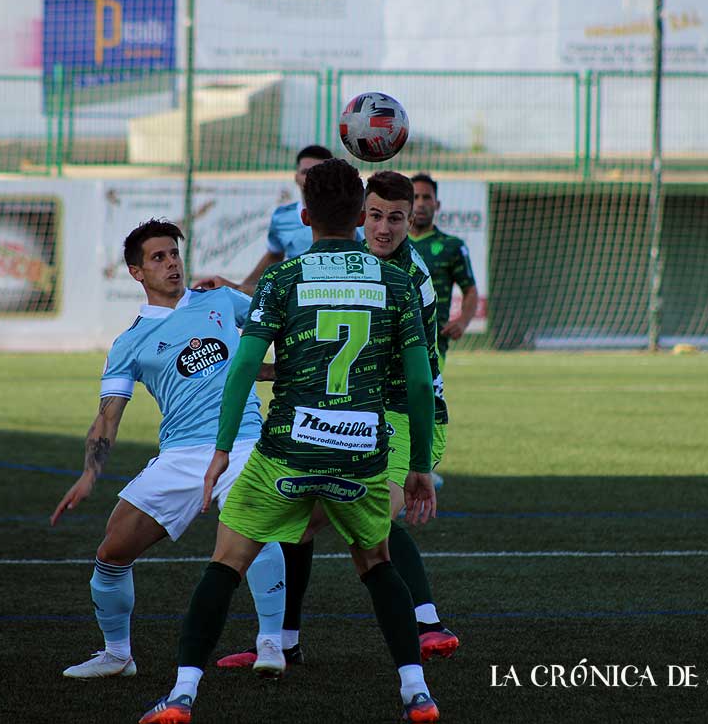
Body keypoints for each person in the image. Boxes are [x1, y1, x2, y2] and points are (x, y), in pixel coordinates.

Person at [138, 159, 441, 724]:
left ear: (304, 217)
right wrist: (419, 462)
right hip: (361, 454)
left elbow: (242, 368)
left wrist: (222, 451)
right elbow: (421, 382)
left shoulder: (283, 279)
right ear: (359, 216)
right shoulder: (396, 282)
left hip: (284, 455)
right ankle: (415, 691)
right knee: (377, 565)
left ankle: (181, 694)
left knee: (226, 563)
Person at [215, 171, 459, 673]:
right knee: (300, 523)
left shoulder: (407, 277)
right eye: (374, 216)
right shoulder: (361, 265)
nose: (384, 228)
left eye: (396, 218)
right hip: (357, 411)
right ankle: (285, 641)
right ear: (358, 217)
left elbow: (387, 367)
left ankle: (427, 622)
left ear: (412, 220)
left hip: (404, 414)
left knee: (369, 510)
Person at [50, 219, 287, 680]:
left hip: (242, 442)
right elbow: (108, 416)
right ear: (137, 272)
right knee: (112, 552)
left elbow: (273, 324)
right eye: (158, 258)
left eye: (174, 254)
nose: (172, 263)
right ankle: (118, 655)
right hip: (179, 456)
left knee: (258, 529)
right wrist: (88, 474)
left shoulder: (219, 299)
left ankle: (270, 643)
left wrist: (280, 371)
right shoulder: (129, 342)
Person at [194, 145, 336, 295]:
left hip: (335, 294)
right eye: (305, 172)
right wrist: (239, 289)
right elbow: (274, 254)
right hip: (298, 296)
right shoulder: (282, 217)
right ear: (296, 177)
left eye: (317, 172)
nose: (311, 178)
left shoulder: (348, 213)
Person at [408, 173, 479, 368]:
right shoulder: (393, 244)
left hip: (434, 342)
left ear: (437, 204)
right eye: (415, 197)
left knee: (428, 396)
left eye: (426, 197)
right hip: (395, 338)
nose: (420, 203)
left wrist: (463, 321)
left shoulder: (451, 246)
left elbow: (470, 290)